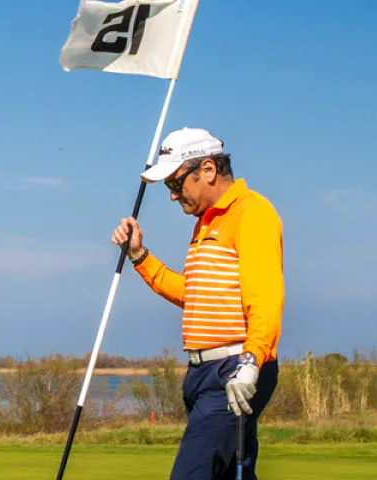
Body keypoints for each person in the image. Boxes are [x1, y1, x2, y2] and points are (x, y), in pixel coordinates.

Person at [110, 127, 285, 480]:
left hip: (234, 370)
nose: (173, 196)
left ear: (208, 170)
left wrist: (251, 361)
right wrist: (139, 256)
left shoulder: (251, 212)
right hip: (203, 375)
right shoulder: (206, 223)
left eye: (176, 184)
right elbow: (195, 296)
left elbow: (264, 296)